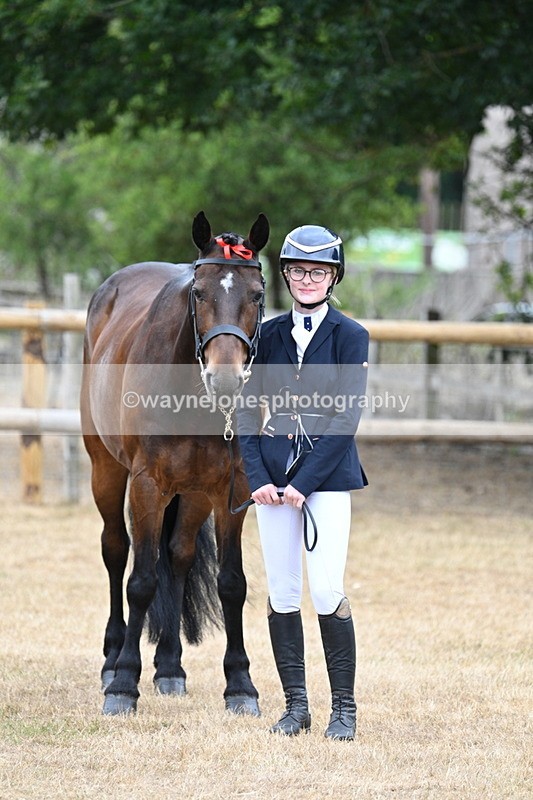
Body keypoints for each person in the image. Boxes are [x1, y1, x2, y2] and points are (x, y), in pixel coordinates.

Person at [237, 224, 369, 740]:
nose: (307, 279)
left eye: (317, 271)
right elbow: (247, 412)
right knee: (283, 591)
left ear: (333, 275)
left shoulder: (350, 335)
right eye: (297, 270)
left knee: (328, 589)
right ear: (286, 275)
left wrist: (304, 485)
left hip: (328, 478)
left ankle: (344, 710)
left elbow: (344, 421)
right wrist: (259, 478)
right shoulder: (266, 335)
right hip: (272, 481)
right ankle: (296, 706)